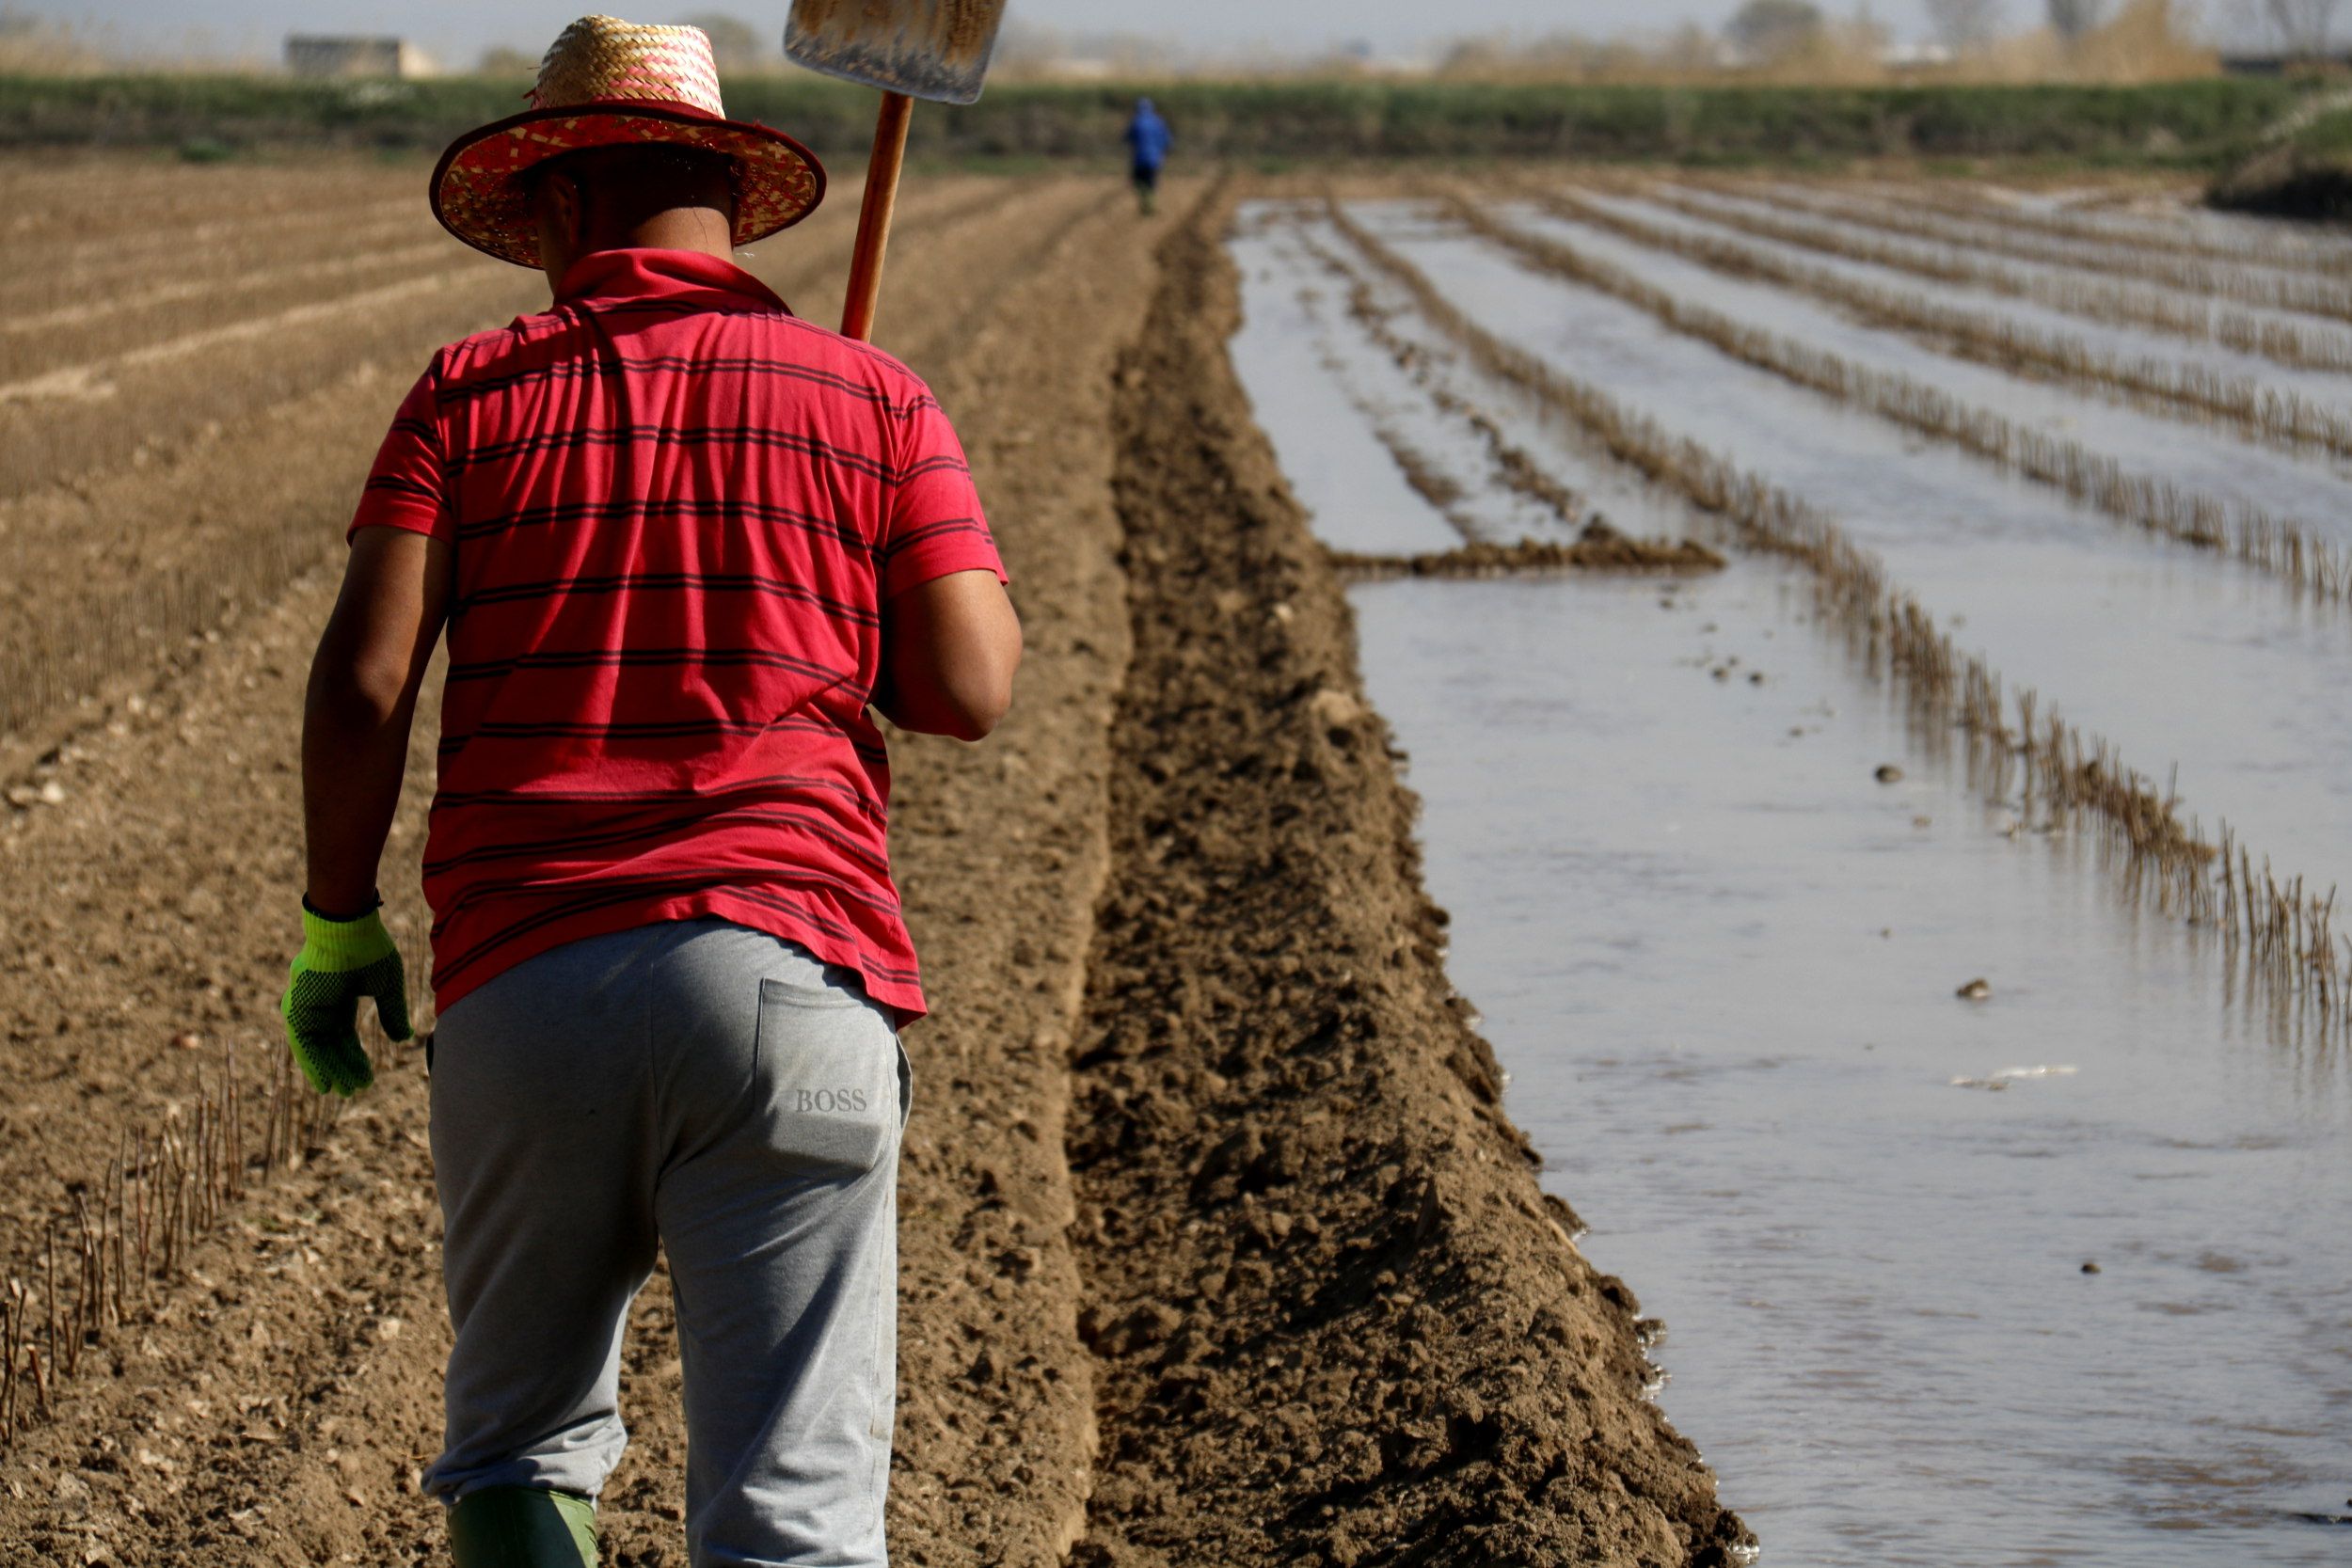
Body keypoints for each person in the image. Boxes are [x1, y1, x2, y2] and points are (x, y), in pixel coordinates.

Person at [277, 16, 1021, 1567]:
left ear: (554, 206)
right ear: (731, 201)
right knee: (793, 1517)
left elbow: (362, 686)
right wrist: (837, 598)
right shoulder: (873, 400)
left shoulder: (468, 395)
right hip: (793, 985)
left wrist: (336, 922)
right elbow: (969, 687)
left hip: (529, 983)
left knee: (519, 1452)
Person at [1122, 96, 1171, 215]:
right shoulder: (1159, 122)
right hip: (1155, 159)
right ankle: (1149, 205)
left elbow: (1127, 138)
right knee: (1151, 182)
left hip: (1139, 159)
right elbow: (1168, 140)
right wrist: (1162, 152)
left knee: (1138, 182)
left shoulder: (1136, 122)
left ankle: (1147, 205)